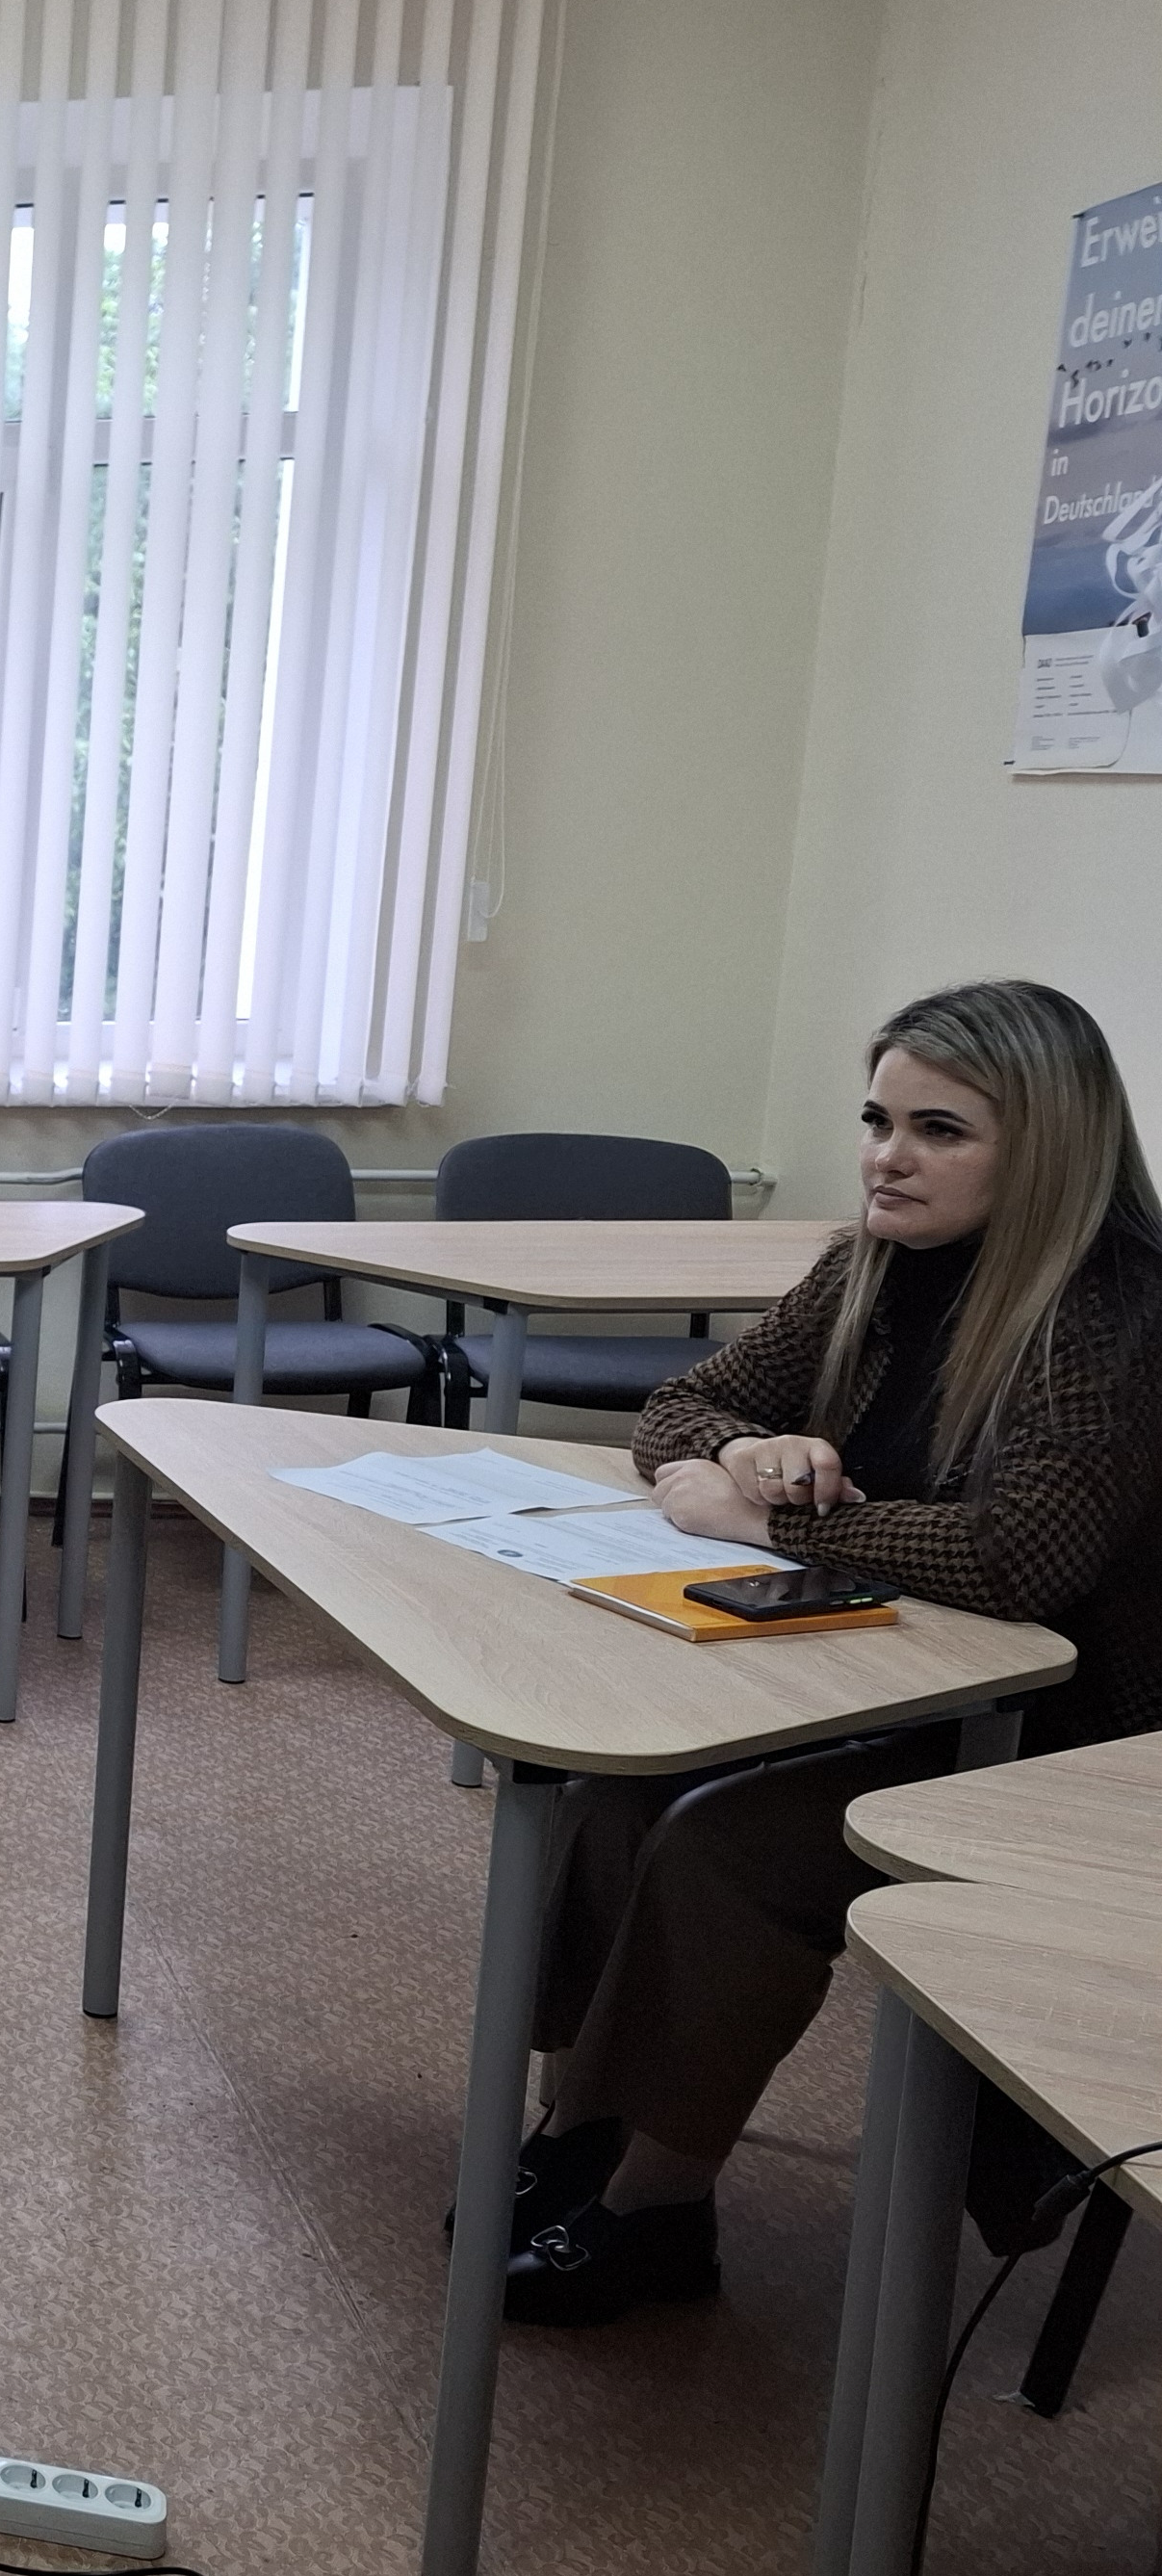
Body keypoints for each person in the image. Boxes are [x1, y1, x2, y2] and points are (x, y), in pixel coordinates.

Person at [504, 978, 1162, 2326]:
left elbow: (1017, 1559)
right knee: (622, 1782)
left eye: (939, 1130)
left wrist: (771, 1519)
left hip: (1062, 1741)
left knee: (728, 1850)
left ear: (1048, 1148)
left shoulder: (1113, 1313)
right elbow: (686, 1402)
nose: (887, 1158)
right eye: (877, 1120)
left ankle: (656, 2210)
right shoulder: (871, 1261)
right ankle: (582, 2132)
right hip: (892, 1674)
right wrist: (744, 1451)